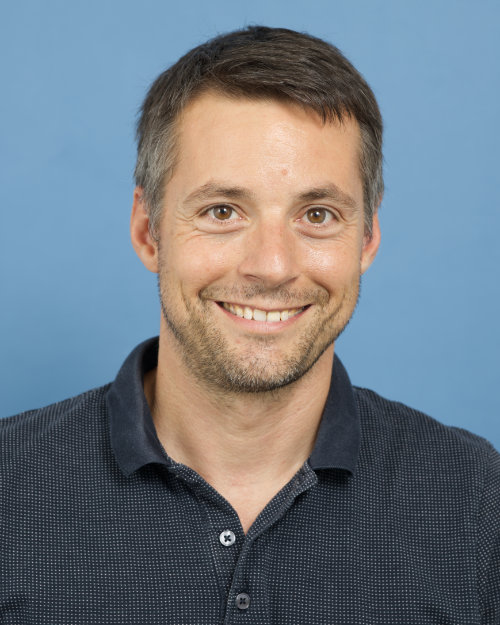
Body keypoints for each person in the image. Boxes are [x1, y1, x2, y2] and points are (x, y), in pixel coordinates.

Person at [1, 25, 498, 624]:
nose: (272, 266)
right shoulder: (9, 489)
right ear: (148, 231)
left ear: (367, 238)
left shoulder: (478, 503)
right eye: (222, 211)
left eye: (318, 214)